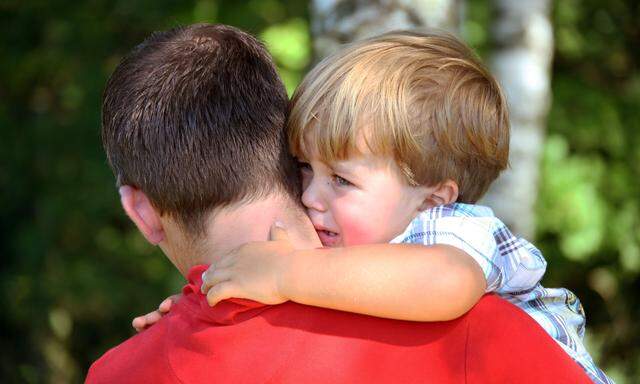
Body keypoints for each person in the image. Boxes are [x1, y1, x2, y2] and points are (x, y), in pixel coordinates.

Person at [86, 23, 593, 383]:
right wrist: (205, 296)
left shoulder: (453, 242)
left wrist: (284, 275)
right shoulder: (369, 262)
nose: (309, 195)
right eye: (305, 168)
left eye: (341, 180)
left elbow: (448, 281)